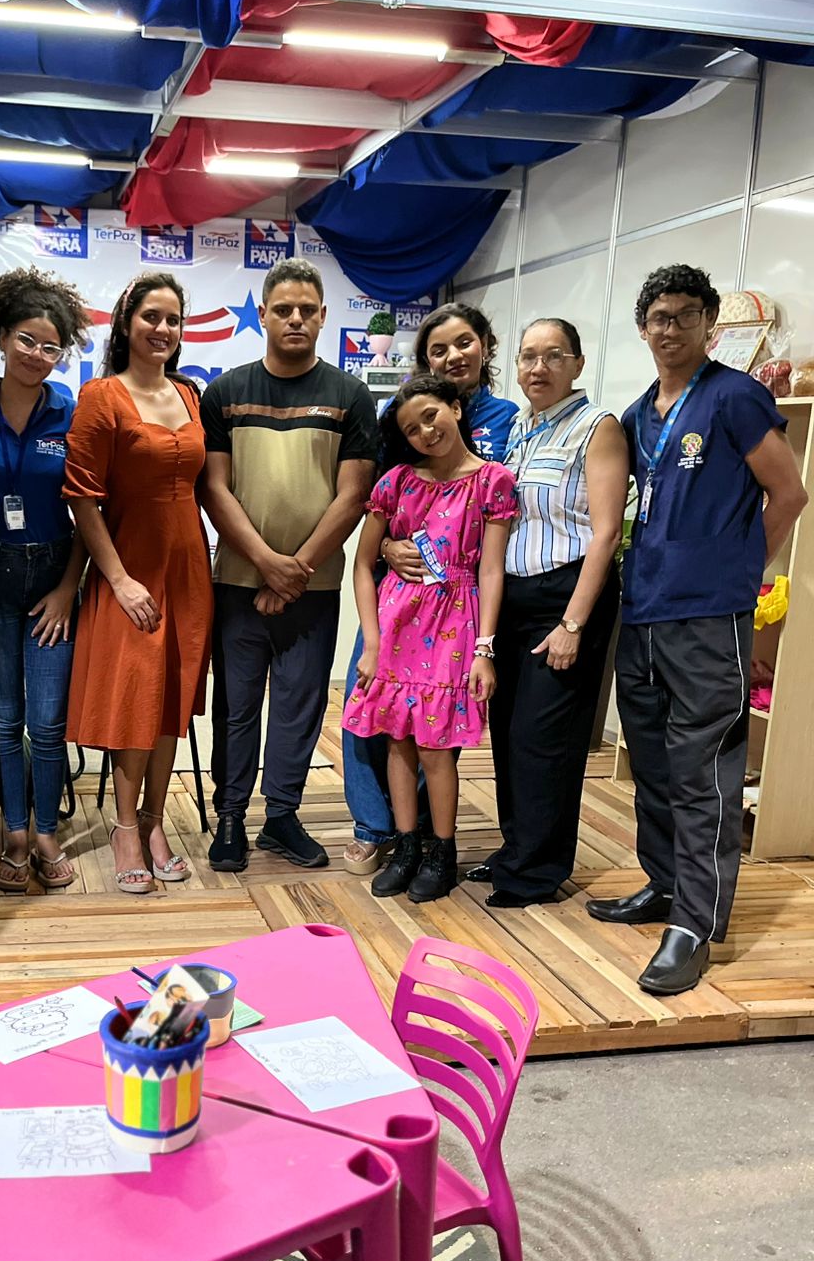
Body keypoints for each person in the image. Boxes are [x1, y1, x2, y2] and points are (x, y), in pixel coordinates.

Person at [588, 264, 808, 996]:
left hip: (709, 617)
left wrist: (737, 576)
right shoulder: (637, 413)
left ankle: (694, 924)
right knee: (653, 764)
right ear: (642, 328)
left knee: (703, 771)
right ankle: (663, 883)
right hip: (644, 610)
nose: (672, 328)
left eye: (687, 315)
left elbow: (789, 492)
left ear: (709, 324)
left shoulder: (735, 397)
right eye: (660, 316)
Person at [201, 258, 376, 872]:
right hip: (236, 583)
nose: (295, 318)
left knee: (300, 705)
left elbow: (354, 495)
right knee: (237, 705)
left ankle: (281, 817)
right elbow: (214, 488)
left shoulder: (350, 396)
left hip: (314, 587)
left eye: (306, 309)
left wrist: (294, 569)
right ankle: (230, 816)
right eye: (283, 309)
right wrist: (266, 563)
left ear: (323, 316)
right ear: (263, 316)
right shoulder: (225, 392)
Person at [342, 301, 519, 873]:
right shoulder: (397, 480)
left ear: (456, 408)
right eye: (411, 427)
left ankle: (441, 850)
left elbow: (490, 568)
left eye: (432, 417)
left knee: (437, 746)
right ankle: (401, 843)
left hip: (455, 624)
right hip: (396, 620)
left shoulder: (496, 469)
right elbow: (363, 560)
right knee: (394, 735)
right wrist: (371, 639)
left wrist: (485, 647)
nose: (425, 431)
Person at [468, 318, 628, 908]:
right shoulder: (520, 428)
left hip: (566, 598)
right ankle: (518, 848)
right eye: (528, 357)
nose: (538, 368)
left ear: (578, 364)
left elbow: (606, 533)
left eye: (553, 356)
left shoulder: (597, 427)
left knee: (546, 740)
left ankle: (537, 872)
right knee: (510, 735)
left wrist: (573, 624)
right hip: (513, 597)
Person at [64, 272, 212, 894]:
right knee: (134, 700)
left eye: (173, 319)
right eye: (152, 316)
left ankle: (154, 822)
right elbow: (82, 498)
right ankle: (125, 828)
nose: (163, 329)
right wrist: (119, 580)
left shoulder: (190, 393)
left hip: (189, 571)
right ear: (126, 324)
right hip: (131, 571)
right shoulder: (102, 396)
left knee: (172, 698)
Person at [0, 268, 90, 893]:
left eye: (51, 346)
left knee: (48, 722)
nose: (37, 354)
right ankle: (14, 833)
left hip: (54, 574)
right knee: (5, 719)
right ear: (2, 336)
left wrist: (67, 588)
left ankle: (46, 833)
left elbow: (89, 510)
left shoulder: (71, 412)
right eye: (26, 340)